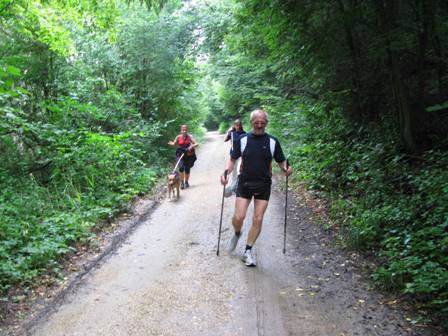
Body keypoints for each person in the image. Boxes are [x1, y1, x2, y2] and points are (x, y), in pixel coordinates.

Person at [220, 109, 292, 267]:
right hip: (244, 182)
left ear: (266, 123)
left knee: (258, 218)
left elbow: (281, 161)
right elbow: (232, 159)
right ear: (251, 122)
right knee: (238, 217)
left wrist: (286, 169)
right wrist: (226, 173)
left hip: (264, 184)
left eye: (262, 122)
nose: (259, 124)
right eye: (256, 122)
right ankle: (237, 233)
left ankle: (247, 251)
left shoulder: (273, 141)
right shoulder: (243, 139)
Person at [168, 124, 198, 189]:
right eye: (183, 130)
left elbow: (196, 144)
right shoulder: (178, 137)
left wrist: (190, 147)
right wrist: (172, 143)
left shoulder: (190, 136)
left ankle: (186, 182)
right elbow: (174, 143)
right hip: (180, 153)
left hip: (188, 154)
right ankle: (182, 183)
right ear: (181, 130)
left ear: (187, 130)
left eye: (185, 130)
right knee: (181, 168)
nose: (184, 131)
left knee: (187, 169)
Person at [223, 118, 246, 197]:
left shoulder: (244, 133)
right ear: (234, 125)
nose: (238, 126)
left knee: (239, 170)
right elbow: (225, 140)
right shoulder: (232, 133)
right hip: (233, 155)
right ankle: (234, 187)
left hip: (241, 155)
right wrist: (228, 131)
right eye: (236, 125)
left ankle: (236, 187)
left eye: (239, 125)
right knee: (233, 172)